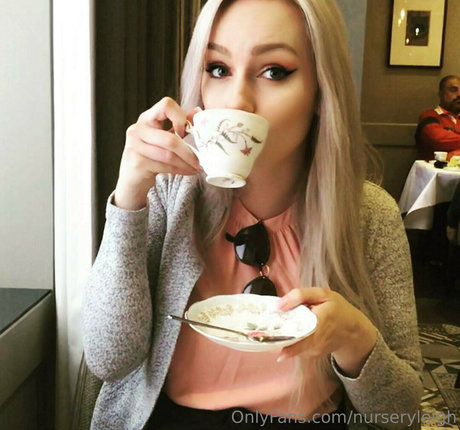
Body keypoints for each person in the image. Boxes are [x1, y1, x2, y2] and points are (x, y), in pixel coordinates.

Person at [82, 0, 423, 429]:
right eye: (218, 69)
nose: (237, 101)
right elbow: (108, 359)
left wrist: (354, 338)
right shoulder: (170, 193)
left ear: (321, 92)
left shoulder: (368, 216)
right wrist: (129, 200)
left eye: (274, 71)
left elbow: (402, 412)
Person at [416, 75, 460, 161]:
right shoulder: (429, 116)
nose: (459, 94)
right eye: (453, 90)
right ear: (441, 93)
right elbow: (438, 140)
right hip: (435, 168)